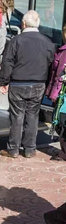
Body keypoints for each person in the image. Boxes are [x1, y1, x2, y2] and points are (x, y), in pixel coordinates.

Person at [0, 10, 55, 159]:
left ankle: (13, 149)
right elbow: (51, 65)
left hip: (18, 84)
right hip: (38, 85)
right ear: (38, 24)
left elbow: (7, 62)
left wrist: (3, 81)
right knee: (32, 116)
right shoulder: (47, 42)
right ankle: (30, 149)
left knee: (17, 117)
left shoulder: (16, 40)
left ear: (23, 23)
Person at [46, 24, 66, 162]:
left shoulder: (64, 52)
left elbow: (59, 75)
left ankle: (64, 153)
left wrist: (54, 94)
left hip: (63, 94)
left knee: (61, 123)